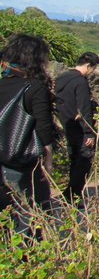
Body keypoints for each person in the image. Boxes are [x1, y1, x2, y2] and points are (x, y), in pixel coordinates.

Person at [0, 34, 55, 236]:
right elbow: (43, 126)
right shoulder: (34, 86)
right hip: (20, 163)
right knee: (29, 217)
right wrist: (48, 156)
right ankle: (28, 261)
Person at [54, 51, 99, 204]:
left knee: (74, 160)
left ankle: (70, 194)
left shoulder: (62, 78)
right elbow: (84, 108)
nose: (92, 72)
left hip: (67, 124)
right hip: (80, 129)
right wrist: (89, 132)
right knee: (83, 162)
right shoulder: (79, 81)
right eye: (92, 68)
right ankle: (73, 197)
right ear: (88, 65)